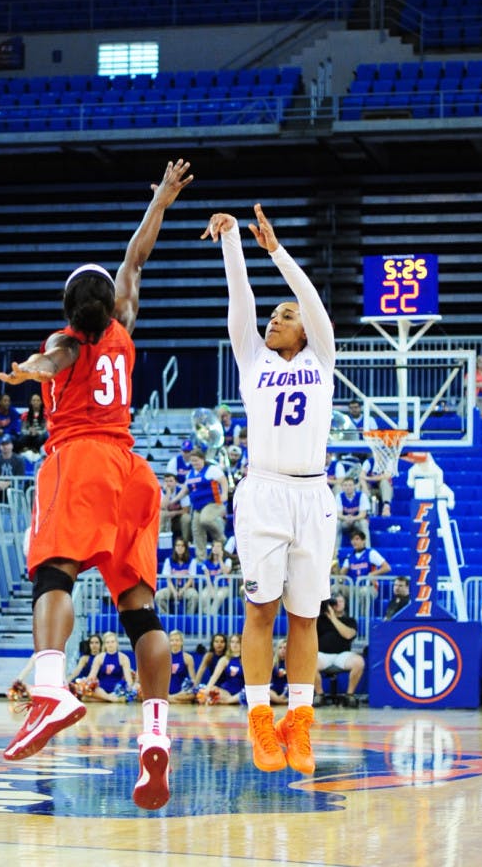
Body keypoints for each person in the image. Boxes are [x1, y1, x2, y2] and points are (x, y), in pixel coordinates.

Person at [0, 158, 192, 811]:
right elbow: (136, 257)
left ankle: (52, 688)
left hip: (80, 461)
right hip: (133, 476)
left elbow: (54, 358)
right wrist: (160, 199)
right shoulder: (124, 327)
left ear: (67, 311)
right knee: (141, 614)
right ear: (109, 305)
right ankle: (154, 738)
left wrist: (30, 370)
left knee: (53, 576)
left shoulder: (69, 343)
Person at [202, 204, 336, 777]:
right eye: (276, 315)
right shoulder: (253, 360)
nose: (277, 320)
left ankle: (299, 724)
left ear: (305, 329)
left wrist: (277, 251)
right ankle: (260, 718)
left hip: (313, 496)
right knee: (261, 610)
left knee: (305, 618)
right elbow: (243, 306)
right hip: (263, 492)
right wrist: (234, 244)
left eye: (287, 315)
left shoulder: (323, 357)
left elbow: (311, 302)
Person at [172, 446, 228, 563]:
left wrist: (225, 494)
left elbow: (223, 481)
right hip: (197, 507)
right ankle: (201, 559)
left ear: (202, 459)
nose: (194, 463)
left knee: (205, 519)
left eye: (196, 460)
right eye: (192, 461)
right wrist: (174, 500)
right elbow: (185, 490)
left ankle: (221, 538)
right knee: (196, 531)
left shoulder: (211, 469)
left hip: (213, 503)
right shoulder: (190, 474)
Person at [315, 593, 365, 708]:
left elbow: (348, 635)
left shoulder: (350, 620)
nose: (337, 604)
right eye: (334, 601)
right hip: (322, 655)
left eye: (340, 601)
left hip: (343, 655)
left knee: (359, 662)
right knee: (310, 662)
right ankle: (319, 694)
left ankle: (349, 694)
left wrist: (333, 618)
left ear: (345, 604)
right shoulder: (320, 620)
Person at [337, 530, 391, 604]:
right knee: (335, 588)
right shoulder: (350, 556)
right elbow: (342, 574)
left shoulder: (371, 553)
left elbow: (387, 567)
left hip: (369, 587)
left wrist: (372, 574)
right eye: (352, 539)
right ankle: (342, 614)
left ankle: (361, 615)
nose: (354, 541)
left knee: (364, 592)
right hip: (353, 587)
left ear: (364, 540)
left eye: (357, 539)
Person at [85, 630, 136, 702]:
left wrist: (129, 689)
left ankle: (104, 699)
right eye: (107, 642)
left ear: (117, 643)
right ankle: (110, 698)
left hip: (118, 690)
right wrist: (86, 684)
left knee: (133, 689)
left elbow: (128, 680)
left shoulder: (124, 658)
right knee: (87, 690)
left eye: (112, 642)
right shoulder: (99, 657)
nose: (110, 644)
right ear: (104, 644)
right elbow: (91, 677)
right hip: (101, 690)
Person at [154, 536, 199, 615]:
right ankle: (167, 617)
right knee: (158, 596)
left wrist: (182, 590)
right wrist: (174, 591)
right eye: (178, 545)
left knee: (194, 595)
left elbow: (191, 579)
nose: (180, 548)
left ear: (185, 548)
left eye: (182, 546)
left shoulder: (192, 561)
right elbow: (168, 579)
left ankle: (188, 617)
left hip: (186, 588)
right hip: (172, 588)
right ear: (174, 547)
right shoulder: (168, 560)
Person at [204, 632, 245, 705]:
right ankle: (232, 700)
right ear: (229, 644)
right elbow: (214, 676)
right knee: (212, 689)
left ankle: (228, 701)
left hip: (241, 691)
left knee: (250, 692)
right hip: (226, 691)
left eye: (237, 642)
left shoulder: (246, 660)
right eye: (232, 642)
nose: (234, 644)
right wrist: (207, 689)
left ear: (242, 644)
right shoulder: (224, 659)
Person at [0, 436, 26, 509]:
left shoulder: (19, 459)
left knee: (16, 488)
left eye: (7, 444)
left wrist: (8, 483)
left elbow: (21, 476)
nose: (5, 447)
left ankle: (15, 511)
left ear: (12, 446)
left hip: (14, 485)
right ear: (0, 447)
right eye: (3, 445)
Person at [336, 475, 372, 553]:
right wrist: (346, 518)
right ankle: (336, 551)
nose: (348, 487)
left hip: (357, 521)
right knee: (337, 523)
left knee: (364, 523)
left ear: (354, 486)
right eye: (345, 485)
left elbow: (363, 514)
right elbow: (338, 514)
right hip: (345, 522)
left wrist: (353, 518)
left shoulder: (362, 496)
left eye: (350, 485)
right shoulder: (339, 496)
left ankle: (367, 550)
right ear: (342, 487)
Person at [199, 538, 232, 617]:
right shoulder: (206, 562)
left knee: (219, 596)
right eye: (214, 546)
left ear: (222, 549)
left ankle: (211, 615)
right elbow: (207, 578)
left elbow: (225, 572)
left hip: (224, 587)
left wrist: (220, 559)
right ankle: (207, 614)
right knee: (203, 596)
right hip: (210, 586)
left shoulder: (227, 560)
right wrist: (212, 590)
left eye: (218, 546)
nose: (216, 548)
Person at [159, 472, 191, 545]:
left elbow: (186, 510)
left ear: (176, 482)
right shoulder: (162, 491)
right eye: (166, 481)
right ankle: (160, 541)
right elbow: (163, 507)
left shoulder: (181, 492)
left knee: (186, 518)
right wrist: (168, 493)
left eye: (170, 481)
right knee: (161, 514)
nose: (168, 483)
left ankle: (185, 542)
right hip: (167, 515)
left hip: (179, 516)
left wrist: (174, 513)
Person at [167, 629, 196, 703]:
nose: (174, 643)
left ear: (182, 642)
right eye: (172, 640)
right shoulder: (164, 657)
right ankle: (175, 700)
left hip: (181, 692)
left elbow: (193, 679)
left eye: (177, 640)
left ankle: (169, 699)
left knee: (193, 694)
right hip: (166, 690)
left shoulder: (188, 658)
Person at [18, 393, 48, 459]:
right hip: (29, 435)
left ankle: (38, 451)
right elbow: (23, 429)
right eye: (34, 400)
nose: (36, 402)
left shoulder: (46, 414)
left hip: (40, 436)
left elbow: (46, 429)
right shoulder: (25, 415)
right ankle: (25, 450)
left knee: (44, 436)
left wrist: (37, 432)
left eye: (38, 400)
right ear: (31, 402)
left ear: (41, 402)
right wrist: (30, 432)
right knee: (22, 437)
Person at [270, 638, 289, 705]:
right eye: (280, 648)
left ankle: (278, 700)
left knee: (290, 687)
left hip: (287, 688)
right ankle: (281, 701)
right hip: (275, 689)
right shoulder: (273, 663)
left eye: (285, 648)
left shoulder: (292, 663)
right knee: (266, 690)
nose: (282, 650)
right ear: (277, 650)